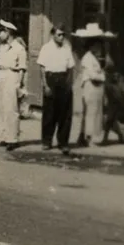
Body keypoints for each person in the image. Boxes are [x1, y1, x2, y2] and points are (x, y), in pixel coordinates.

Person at [37, 25, 77, 154]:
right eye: (59, 34)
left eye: (63, 35)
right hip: (51, 79)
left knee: (65, 114)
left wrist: (69, 84)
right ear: (53, 35)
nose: (61, 37)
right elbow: (42, 68)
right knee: (49, 112)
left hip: (64, 79)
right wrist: (45, 85)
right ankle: (46, 141)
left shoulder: (67, 48)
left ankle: (63, 142)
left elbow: (70, 68)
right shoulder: (46, 48)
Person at [72, 22, 114, 147]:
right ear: (91, 46)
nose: (99, 48)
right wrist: (103, 76)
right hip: (91, 87)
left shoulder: (95, 58)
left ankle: (89, 137)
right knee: (91, 113)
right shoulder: (87, 58)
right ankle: (88, 138)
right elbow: (93, 75)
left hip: (97, 88)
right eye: (97, 45)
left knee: (96, 114)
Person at [0, 19, 28, 150]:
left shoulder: (19, 48)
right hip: (1, 75)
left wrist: (19, 84)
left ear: (8, 32)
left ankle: (13, 139)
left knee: (11, 108)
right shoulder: (2, 47)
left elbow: (22, 68)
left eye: (1, 31)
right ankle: (3, 136)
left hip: (12, 76)